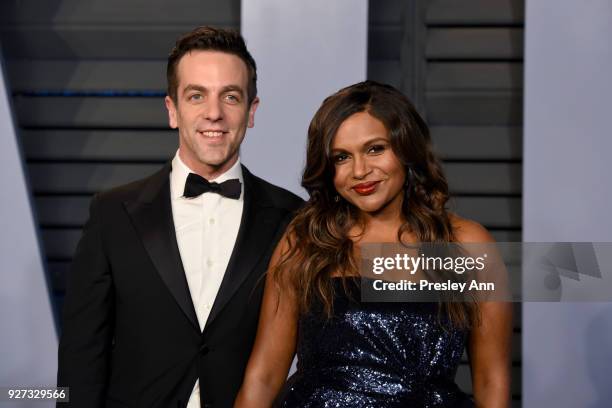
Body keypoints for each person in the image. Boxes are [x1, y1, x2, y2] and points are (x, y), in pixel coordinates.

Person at [57, 26, 303, 408]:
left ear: (251, 111)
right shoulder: (111, 214)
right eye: (196, 96)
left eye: (231, 97)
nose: (214, 113)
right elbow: (81, 355)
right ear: (172, 110)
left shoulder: (293, 217)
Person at [234, 81, 512, 407]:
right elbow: (264, 375)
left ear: (406, 148)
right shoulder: (307, 242)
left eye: (375, 149)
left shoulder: (464, 244)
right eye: (341, 157)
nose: (361, 171)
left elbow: (492, 379)